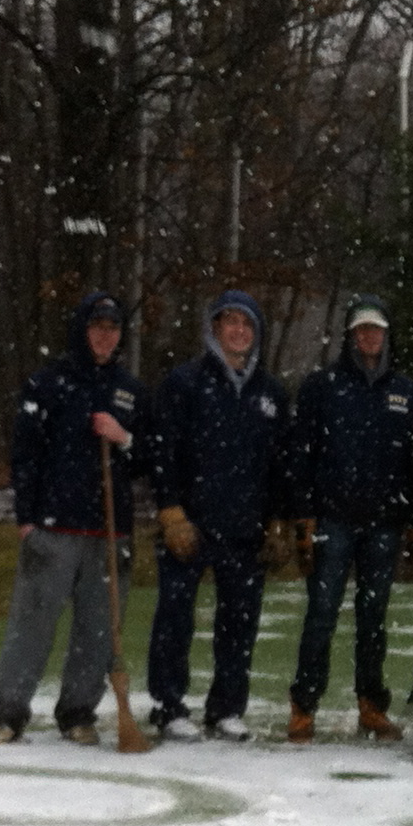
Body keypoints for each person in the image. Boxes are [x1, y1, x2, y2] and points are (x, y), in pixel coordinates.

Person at [0, 289, 144, 745]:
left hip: (109, 530)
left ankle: (78, 713)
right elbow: (25, 454)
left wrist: (123, 437)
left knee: (98, 630)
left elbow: (150, 458)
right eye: (97, 327)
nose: (105, 336)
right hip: (54, 526)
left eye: (113, 329)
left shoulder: (130, 391)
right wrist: (27, 517)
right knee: (32, 624)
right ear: (82, 330)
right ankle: (7, 714)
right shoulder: (48, 384)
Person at [281, 295, 413, 743]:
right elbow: (300, 452)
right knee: (322, 614)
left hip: (385, 522)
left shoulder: (406, 392)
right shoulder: (322, 386)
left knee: (373, 618)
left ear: (386, 334)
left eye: (376, 328)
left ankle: (371, 705)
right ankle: (304, 706)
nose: (369, 336)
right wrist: (302, 513)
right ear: (350, 334)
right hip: (332, 519)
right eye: (362, 328)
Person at [144, 289, 288, 741]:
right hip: (190, 521)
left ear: (256, 333)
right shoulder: (185, 382)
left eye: (247, 324)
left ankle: (226, 708)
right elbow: (162, 450)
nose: (239, 331)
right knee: (175, 618)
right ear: (215, 328)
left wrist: (277, 520)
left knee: (239, 622)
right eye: (231, 322)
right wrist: (170, 509)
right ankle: (169, 707)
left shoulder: (270, 393)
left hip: (246, 526)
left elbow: (280, 463)